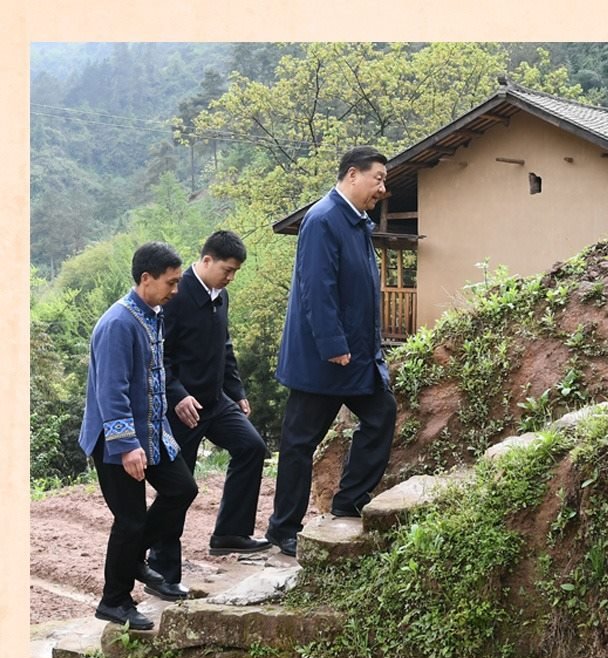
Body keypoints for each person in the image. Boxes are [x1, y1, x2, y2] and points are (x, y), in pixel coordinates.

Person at [265, 146, 397, 557]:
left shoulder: (357, 222)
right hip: (324, 360)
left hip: (357, 356)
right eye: (378, 178)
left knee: (381, 414)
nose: (382, 188)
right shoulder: (323, 219)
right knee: (299, 442)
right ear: (353, 175)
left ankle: (349, 501)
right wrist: (332, 344)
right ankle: (284, 528)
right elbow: (316, 288)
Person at [79, 242, 198, 630]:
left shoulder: (153, 314)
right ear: (146, 279)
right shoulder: (118, 323)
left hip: (151, 431)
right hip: (117, 440)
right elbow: (111, 390)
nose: (175, 290)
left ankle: (132, 560)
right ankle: (114, 600)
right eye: (171, 282)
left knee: (182, 489)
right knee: (129, 521)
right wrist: (127, 445)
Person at [146, 231, 270, 594]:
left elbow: (224, 347)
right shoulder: (176, 295)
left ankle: (230, 532)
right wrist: (177, 395)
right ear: (206, 261)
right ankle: (162, 571)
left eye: (235, 272)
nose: (230, 277)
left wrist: (237, 391)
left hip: (215, 402)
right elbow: (159, 356)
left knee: (252, 447)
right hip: (181, 409)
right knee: (178, 489)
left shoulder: (221, 296)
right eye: (227, 270)